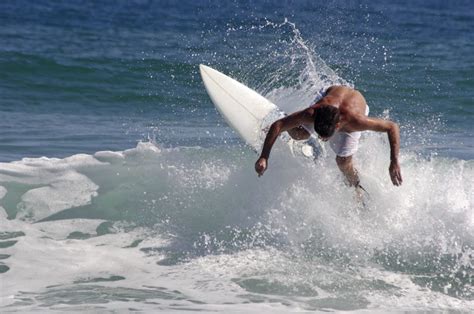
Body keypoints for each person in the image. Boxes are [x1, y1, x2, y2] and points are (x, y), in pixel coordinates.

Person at [255, 85, 402, 187]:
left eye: (325, 136)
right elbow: (278, 124)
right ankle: (290, 120)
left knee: (343, 162)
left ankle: (356, 187)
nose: (322, 139)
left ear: (338, 126)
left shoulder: (356, 121)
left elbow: (392, 127)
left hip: (354, 106)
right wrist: (264, 156)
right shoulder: (312, 112)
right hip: (330, 95)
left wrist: (394, 161)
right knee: (300, 134)